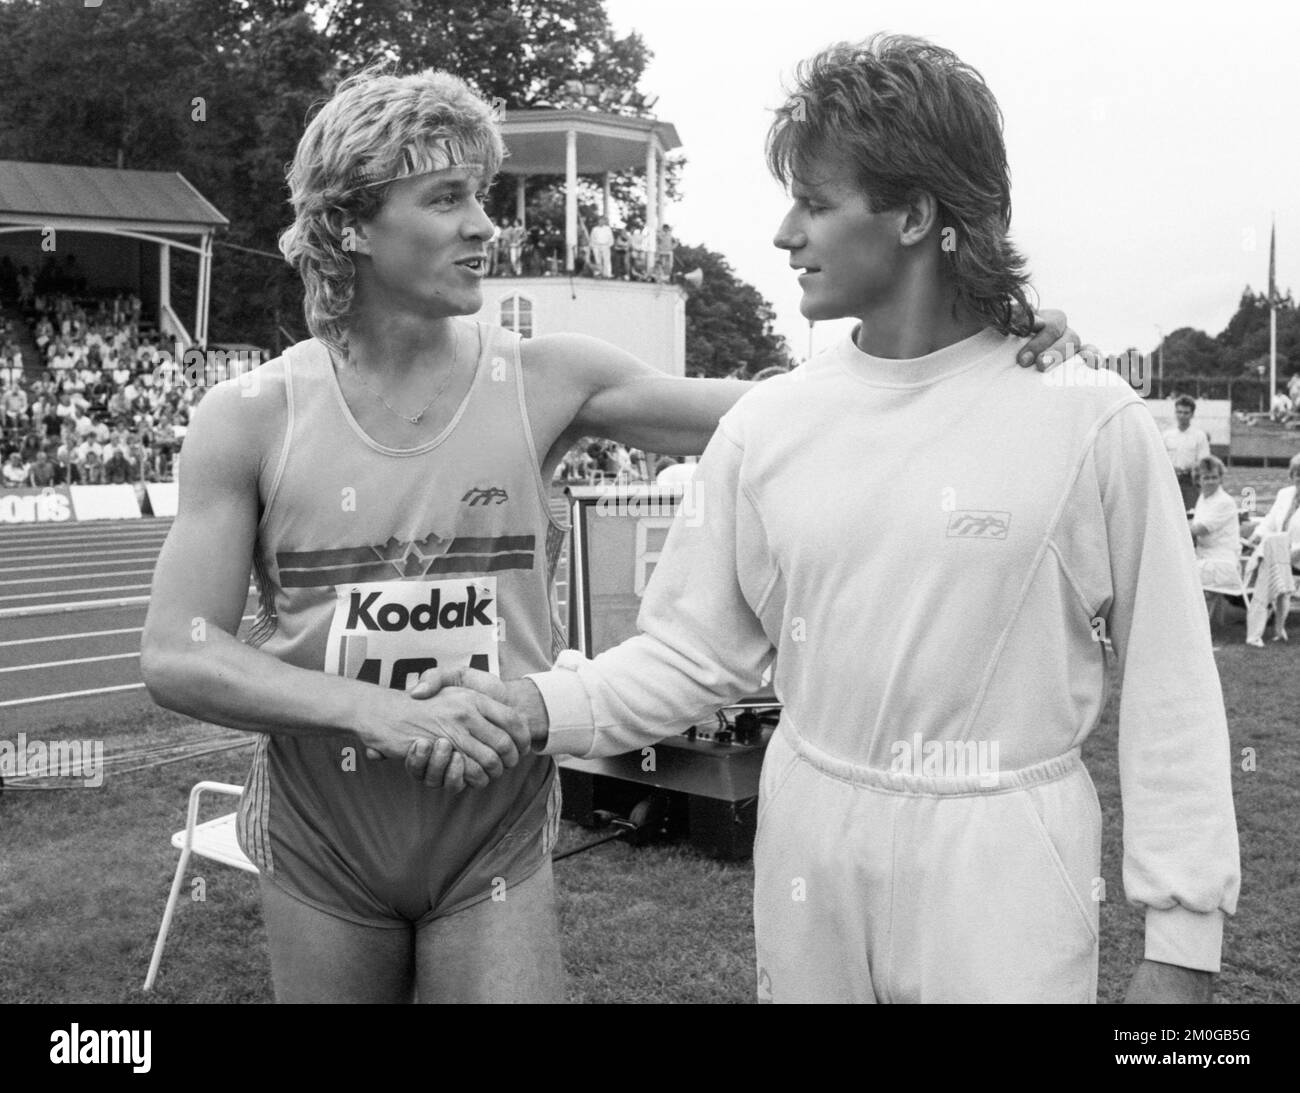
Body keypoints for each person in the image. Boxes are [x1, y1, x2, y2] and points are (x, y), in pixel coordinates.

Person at [139, 64, 1076, 1006]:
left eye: (482, 195)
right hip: (327, 835)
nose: (484, 225)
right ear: (350, 225)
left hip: (488, 837)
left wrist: (969, 341)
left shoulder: (547, 379)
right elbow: (177, 655)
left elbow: (790, 411)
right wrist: (378, 713)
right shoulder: (252, 417)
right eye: (447, 198)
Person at [420, 35, 1239, 1004]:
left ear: (914, 214)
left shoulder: (1088, 417)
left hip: (1005, 852)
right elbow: (693, 654)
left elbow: (1170, 689)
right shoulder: (771, 421)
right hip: (809, 833)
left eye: (814, 201)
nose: (782, 232)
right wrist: (538, 705)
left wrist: (1179, 944)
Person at [1242, 452, 1300, 646]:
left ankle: (1258, 626)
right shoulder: (1285, 494)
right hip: (1277, 552)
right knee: (1262, 558)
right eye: (1297, 473)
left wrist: (1287, 556)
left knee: (1266, 566)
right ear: (1292, 476)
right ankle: (1271, 624)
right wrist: (1256, 536)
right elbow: (1269, 521)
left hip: (1296, 556)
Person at [1188, 455, 1244, 631]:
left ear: (1221, 478)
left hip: (1222, 561)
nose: (1211, 481)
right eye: (1206, 477)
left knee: (1179, 574)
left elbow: (1199, 529)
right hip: (1206, 556)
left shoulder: (1224, 501)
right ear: (1198, 480)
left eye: (1215, 477)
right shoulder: (1204, 498)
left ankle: (1192, 627)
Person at [1163, 395, 1210, 512]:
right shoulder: (1167, 435)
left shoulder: (1199, 436)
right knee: (1170, 513)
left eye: (1186, 413)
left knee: (1190, 513)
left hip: (1190, 482)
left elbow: (1203, 461)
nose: (1182, 416)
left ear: (1192, 414)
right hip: (1170, 481)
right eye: (1179, 412)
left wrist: (1188, 468)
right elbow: (1161, 460)